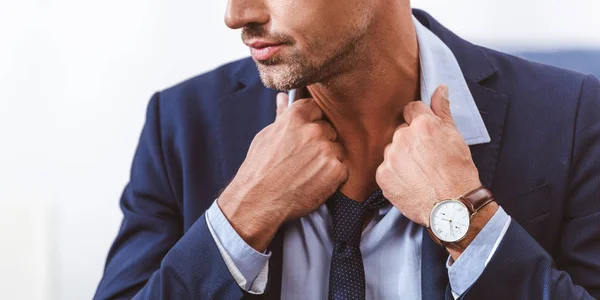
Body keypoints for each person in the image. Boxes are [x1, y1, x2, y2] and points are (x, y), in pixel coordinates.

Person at [94, 0, 600, 299]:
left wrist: (464, 219)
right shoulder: (180, 124)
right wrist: (239, 218)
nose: (237, 14)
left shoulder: (573, 116)